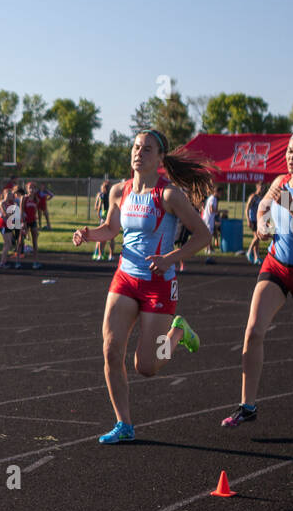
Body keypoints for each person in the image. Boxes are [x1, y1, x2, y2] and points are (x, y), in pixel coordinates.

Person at [73, 130, 212, 443]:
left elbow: (204, 236)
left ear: (160, 159)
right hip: (125, 278)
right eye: (136, 147)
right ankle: (124, 425)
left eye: (147, 149)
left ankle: (179, 333)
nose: (139, 153)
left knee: (146, 366)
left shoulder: (168, 195)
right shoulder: (119, 191)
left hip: (158, 284)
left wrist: (170, 259)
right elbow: (110, 229)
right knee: (111, 350)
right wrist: (87, 234)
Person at [222, 129, 293, 427]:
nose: (292, 158)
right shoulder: (280, 182)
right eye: (289, 152)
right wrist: (261, 226)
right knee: (254, 330)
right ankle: (247, 406)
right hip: (276, 265)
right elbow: (263, 208)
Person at [23, 181, 43, 269]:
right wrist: (23, 222)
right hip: (25, 221)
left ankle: (35, 262)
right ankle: (18, 262)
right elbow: (22, 210)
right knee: (20, 242)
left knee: (35, 242)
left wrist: (39, 223)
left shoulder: (36, 199)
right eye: (30, 188)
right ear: (27, 189)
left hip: (33, 221)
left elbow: (38, 211)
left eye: (33, 188)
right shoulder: (24, 198)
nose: (32, 189)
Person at [244, 181, 265, 264]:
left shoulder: (261, 197)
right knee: (257, 237)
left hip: (258, 220)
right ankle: (249, 252)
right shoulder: (253, 196)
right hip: (252, 219)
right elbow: (247, 208)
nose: (262, 189)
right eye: (261, 187)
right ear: (257, 187)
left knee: (257, 240)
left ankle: (257, 257)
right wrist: (248, 220)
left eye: (263, 187)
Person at [200, 185, 219, 262]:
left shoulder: (211, 198)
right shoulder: (213, 199)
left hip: (207, 218)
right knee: (209, 234)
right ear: (217, 192)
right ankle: (208, 249)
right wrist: (218, 211)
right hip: (208, 219)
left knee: (208, 234)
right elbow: (211, 209)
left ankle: (208, 248)